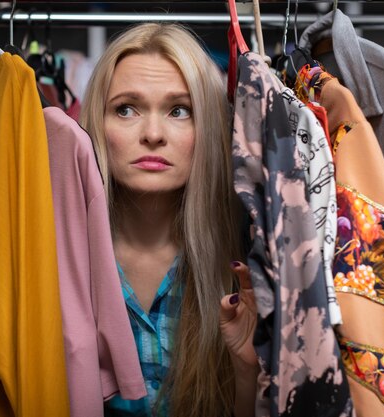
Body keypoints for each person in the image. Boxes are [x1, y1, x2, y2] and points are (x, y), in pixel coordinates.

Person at [79, 23, 258, 417]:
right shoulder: (63, 263)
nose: (154, 134)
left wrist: (247, 369)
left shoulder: (247, 263)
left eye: (180, 110)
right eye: (126, 109)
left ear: (207, 126)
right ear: (96, 122)